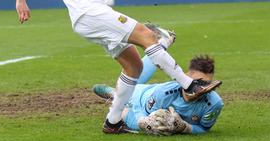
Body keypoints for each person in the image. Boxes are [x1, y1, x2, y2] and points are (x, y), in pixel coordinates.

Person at [15, 0, 222, 134]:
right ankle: (190, 85)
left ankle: (113, 122)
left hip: (93, 15)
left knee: (135, 66)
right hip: (89, 12)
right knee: (147, 35)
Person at [93, 54, 223, 135]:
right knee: (126, 113)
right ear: (186, 77)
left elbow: (204, 129)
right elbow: (141, 109)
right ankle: (113, 93)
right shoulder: (165, 93)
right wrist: (142, 121)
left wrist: (186, 128)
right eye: (198, 82)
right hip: (140, 97)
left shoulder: (213, 104)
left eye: (207, 84)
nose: (202, 88)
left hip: (152, 91)